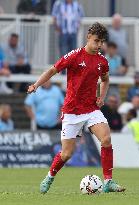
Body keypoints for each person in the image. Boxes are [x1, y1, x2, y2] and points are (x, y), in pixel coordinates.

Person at [27, 22, 125, 193]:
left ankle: (108, 181)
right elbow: (52, 70)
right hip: (72, 111)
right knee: (66, 154)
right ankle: (50, 176)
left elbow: (106, 79)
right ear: (88, 37)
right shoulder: (74, 56)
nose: (99, 45)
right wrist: (36, 85)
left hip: (91, 109)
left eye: (102, 42)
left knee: (106, 139)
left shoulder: (102, 61)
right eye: (96, 41)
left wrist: (101, 97)